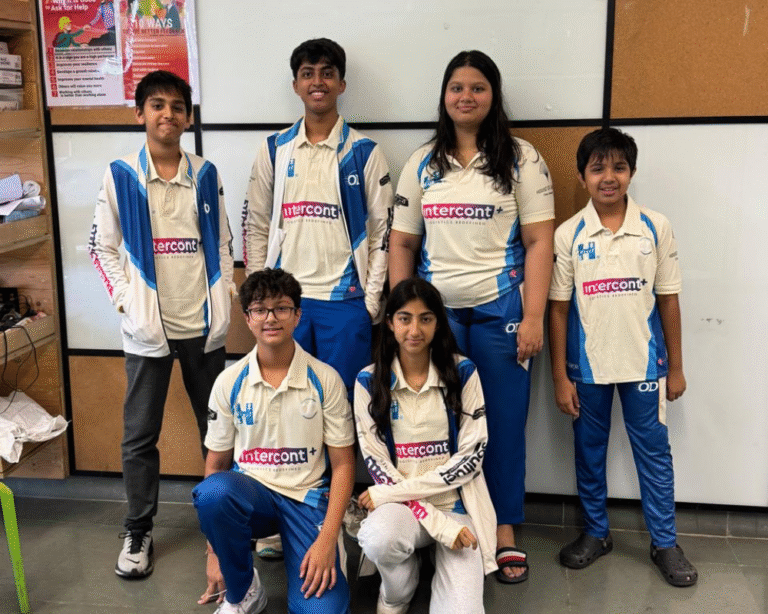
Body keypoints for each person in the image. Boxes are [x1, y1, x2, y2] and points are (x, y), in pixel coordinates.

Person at [388, 50, 554, 583]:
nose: (466, 96)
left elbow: (540, 241)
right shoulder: (422, 162)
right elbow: (402, 243)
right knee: (434, 424)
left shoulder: (522, 158)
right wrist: (400, 319)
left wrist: (533, 316)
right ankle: (440, 523)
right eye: (456, 87)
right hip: (434, 319)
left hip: (501, 312)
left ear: (493, 95)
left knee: (501, 426)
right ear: (444, 96)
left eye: (477, 87)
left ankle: (503, 529)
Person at [88, 70, 235, 579]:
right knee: (139, 437)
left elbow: (222, 243)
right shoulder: (120, 175)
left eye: (176, 106)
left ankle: (228, 521)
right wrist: (128, 303)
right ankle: (138, 530)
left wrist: (223, 298)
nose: (167, 113)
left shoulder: (207, 173)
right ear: (140, 114)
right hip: (147, 330)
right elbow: (102, 248)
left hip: (202, 327)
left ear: (188, 117)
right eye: (157, 105)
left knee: (219, 429)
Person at [548, 127, 698, 587]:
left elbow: (669, 299)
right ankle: (596, 533)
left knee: (654, 454)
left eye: (619, 167)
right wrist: (560, 376)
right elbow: (558, 309)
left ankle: (665, 543)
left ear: (631, 173)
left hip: (645, 366)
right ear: (582, 176)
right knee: (589, 453)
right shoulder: (568, 234)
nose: (608, 177)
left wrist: (676, 367)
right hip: (587, 369)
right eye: (598, 168)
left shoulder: (655, 226)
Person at [193, 268, 356, 614]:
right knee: (214, 493)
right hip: (253, 497)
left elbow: (343, 464)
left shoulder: (325, 379)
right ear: (247, 318)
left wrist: (327, 539)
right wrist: (214, 550)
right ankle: (244, 591)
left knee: (323, 611)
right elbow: (216, 464)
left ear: (297, 315)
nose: (270, 318)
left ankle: (317, 548)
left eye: (281, 308)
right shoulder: (229, 382)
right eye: (259, 309)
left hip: (306, 499)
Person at [242, 37, 392, 399]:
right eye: (308, 74)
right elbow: (255, 224)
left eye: (327, 73)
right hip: (284, 302)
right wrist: (259, 298)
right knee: (288, 404)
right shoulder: (274, 149)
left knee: (345, 406)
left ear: (341, 84)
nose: (317, 82)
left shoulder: (364, 152)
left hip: (345, 303)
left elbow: (382, 232)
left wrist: (370, 302)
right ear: (296, 85)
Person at [354, 278, 497, 614]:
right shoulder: (368, 381)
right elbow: (377, 462)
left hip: (455, 507)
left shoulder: (463, 372)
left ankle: (437, 555)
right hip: (401, 509)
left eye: (426, 318)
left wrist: (445, 522)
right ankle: (399, 590)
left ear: (438, 323)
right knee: (378, 537)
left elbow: (471, 459)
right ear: (390, 323)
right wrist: (438, 525)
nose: (414, 330)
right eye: (405, 318)